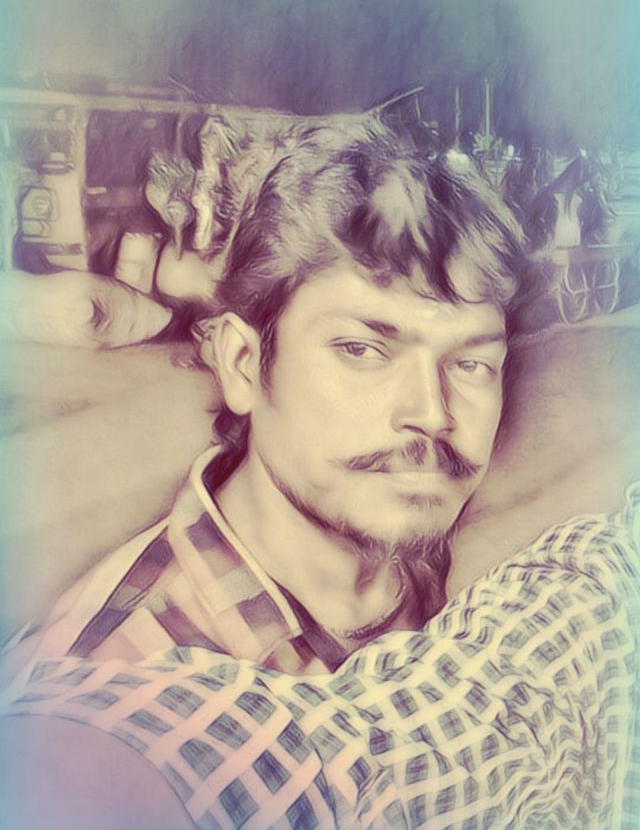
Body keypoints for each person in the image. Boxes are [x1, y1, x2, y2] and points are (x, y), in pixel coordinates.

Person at [1, 119, 639, 828]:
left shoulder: (473, 540)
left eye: (470, 363)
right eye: (363, 349)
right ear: (244, 364)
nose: (431, 413)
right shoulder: (115, 679)